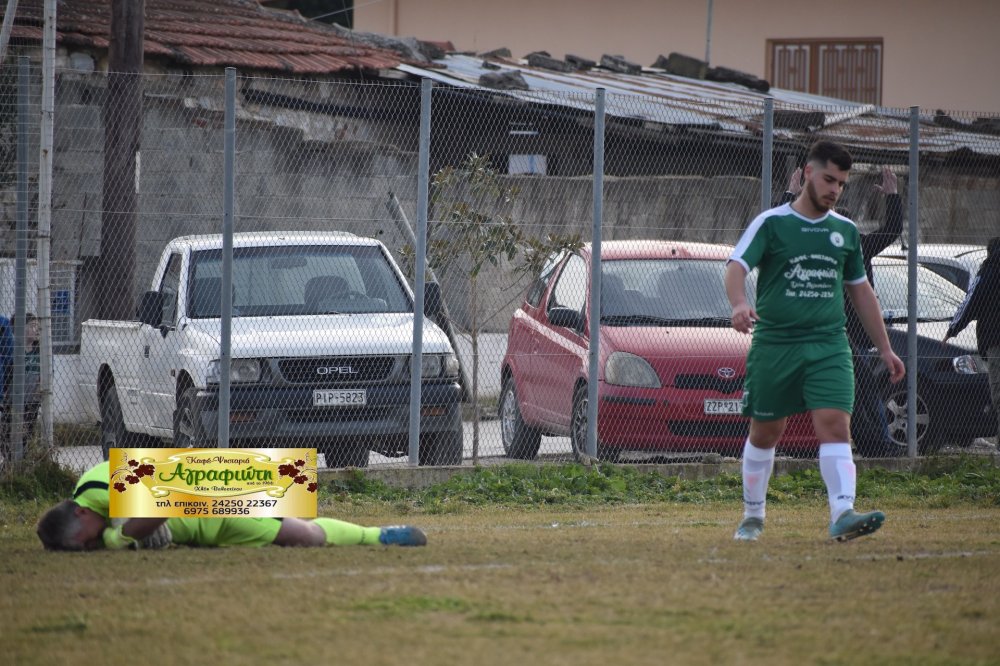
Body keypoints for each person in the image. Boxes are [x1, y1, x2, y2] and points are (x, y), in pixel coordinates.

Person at [725, 140, 906, 542]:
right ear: (808, 173)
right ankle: (753, 515)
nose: (834, 190)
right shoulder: (772, 223)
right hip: (776, 344)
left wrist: (885, 348)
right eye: (828, 179)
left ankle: (842, 512)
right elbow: (736, 265)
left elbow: (861, 293)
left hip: (829, 345)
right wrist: (739, 303)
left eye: (841, 184)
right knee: (766, 432)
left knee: (835, 426)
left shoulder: (844, 231)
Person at [779, 166, 904, 453]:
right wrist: (791, 195)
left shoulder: (860, 246)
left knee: (864, 389)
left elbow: (891, 230)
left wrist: (893, 196)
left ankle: (876, 443)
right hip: (829, 333)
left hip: (854, 334)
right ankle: (875, 444)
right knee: (860, 389)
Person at [36, 460, 427, 551]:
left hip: (214, 499)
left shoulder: (99, 488)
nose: (92, 549)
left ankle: (379, 535)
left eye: (85, 543)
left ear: (81, 513)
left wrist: (131, 532)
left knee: (305, 535)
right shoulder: (96, 511)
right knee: (299, 533)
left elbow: (169, 494)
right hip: (203, 525)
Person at [943, 237, 1000, 444]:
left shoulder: (990, 270)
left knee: (998, 394)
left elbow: (972, 300)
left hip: (995, 340)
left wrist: (953, 330)